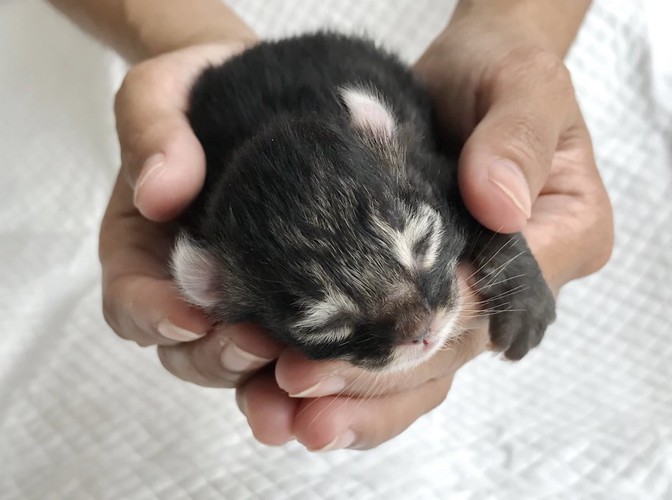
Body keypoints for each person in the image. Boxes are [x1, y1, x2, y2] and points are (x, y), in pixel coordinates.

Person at [49, 0, 613, 451]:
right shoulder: (221, 251)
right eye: (331, 319)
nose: (420, 327)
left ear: (393, 141)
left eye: (417, 245)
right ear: (220, 292)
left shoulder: (399, 162)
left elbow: (456, 186)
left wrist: (506, 250)